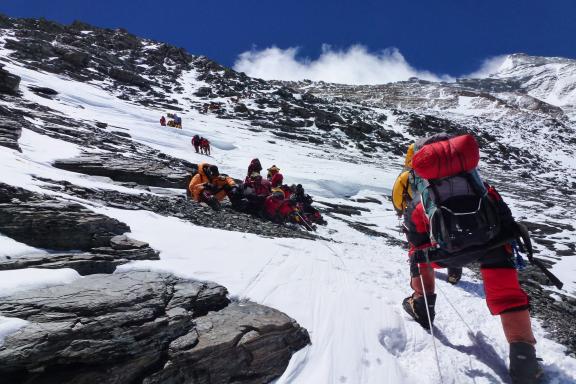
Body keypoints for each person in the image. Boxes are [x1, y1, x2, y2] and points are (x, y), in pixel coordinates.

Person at [400, 134, 541, 384]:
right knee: (508, 294)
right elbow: (504, 221)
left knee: (418, 255)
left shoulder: (422, 201)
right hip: (490, 246)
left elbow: (418, 249)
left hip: (444, 253)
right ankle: (524, 360)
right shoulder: (481, 187)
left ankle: (423, 304)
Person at [393, 143, 462, 285]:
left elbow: (397, 195)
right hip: (442, 212)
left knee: (418, 244)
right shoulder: (441, 172)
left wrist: (400, 210)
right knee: (447, 240)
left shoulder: (407, 175)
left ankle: (419, 271)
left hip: (416, 215)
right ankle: (453, 273)